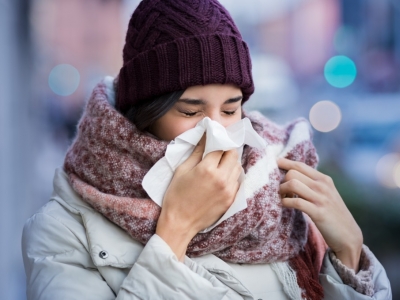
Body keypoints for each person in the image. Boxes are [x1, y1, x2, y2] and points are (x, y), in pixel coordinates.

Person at [22, 0, 392, 299]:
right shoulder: (62, 231)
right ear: (143, 112)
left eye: (231, 109)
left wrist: (349, 258)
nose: (217, 130)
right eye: (190, 110)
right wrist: (175, 232)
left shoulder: (276, 189)